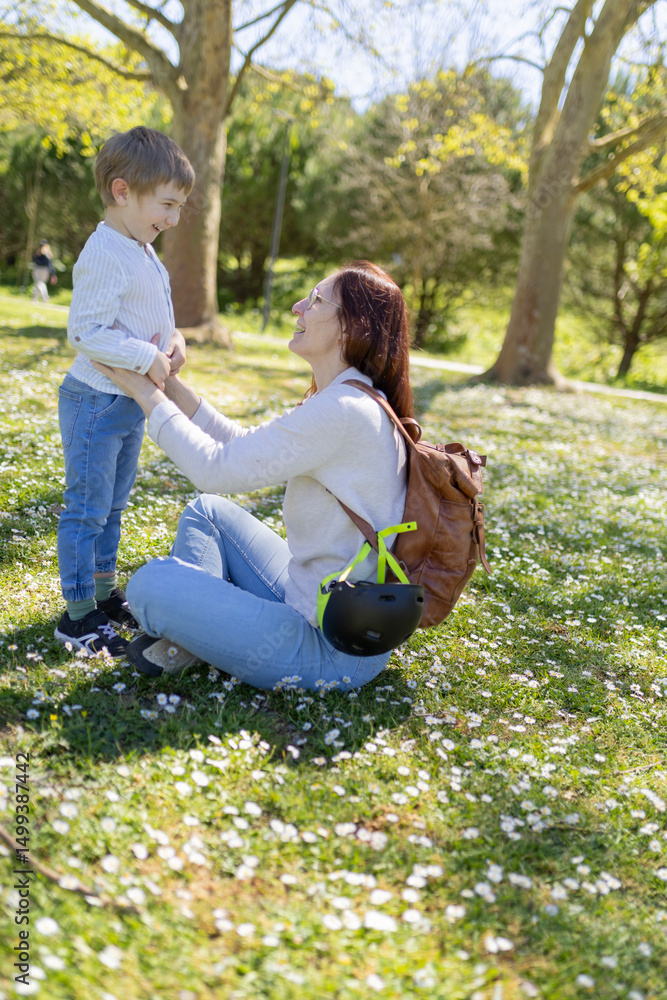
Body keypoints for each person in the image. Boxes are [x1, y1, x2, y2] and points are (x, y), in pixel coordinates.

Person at [93, 261, 418, 691]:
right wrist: (168, 382)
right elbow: (238, 442)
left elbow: (214, 467)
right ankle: (199, 634)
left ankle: (197, 629)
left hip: (333, 644)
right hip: (312, 595)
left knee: (151, 584)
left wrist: (143, 392)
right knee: (207, 513)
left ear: (350, 328)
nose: (298, 306)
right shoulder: (350, 397)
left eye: (317, 300)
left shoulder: (344, 411)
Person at [54, 126, 195, 657]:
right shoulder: (105, 251)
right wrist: (146, 357)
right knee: (86, 510)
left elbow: (156, 315)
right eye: (167, 204)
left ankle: (103, 593)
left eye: (180, 206)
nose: (174, 219)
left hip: (129, 401)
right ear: (121, 191)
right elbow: (86, 332)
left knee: (112, 507)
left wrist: (175, 342)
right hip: (95, 401)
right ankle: (77, 615)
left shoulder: (142, 248)